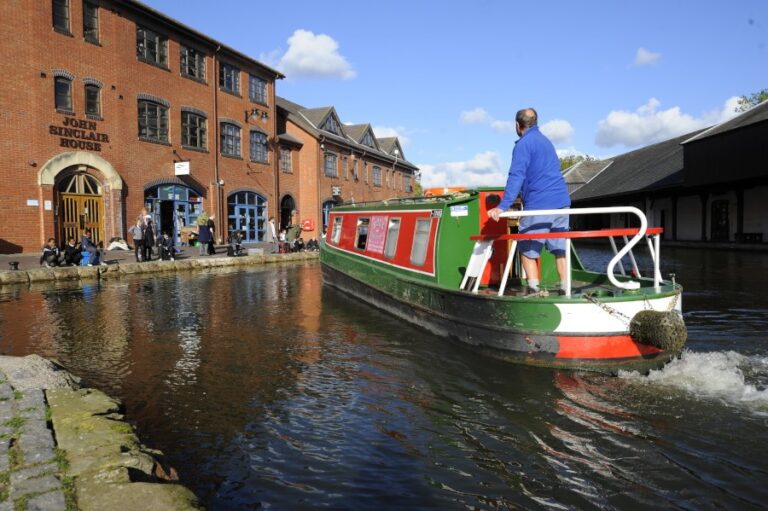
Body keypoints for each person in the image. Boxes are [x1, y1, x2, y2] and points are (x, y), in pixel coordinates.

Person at [488, 108, 571, 294]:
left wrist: (503, 205)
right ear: (536, 122)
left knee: (526, 249)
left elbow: (516, 175)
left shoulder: (523, 144)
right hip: (562, 202)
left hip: (539, 203)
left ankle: (535, 291)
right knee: (560, 249)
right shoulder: (546, 142)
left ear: (518, 126)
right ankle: (567, 289)